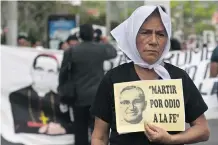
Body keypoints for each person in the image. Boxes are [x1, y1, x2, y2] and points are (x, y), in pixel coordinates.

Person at [91, 5, 210, 145]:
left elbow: (203, 129)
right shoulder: (113, 79)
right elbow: (99, 137)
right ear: (132, 35)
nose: (153, 41)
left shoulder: (178, 77)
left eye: (160, 34)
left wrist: (171, 139)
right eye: (145, 33)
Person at [58, 23, 117, 145]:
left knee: (80, 130)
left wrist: (62, 91)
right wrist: (104, 41)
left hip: (78, 97)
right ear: (93, 34)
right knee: (99, 132)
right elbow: (113, 52)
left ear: (79, 35)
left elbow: (63, 74)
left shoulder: (71, 51)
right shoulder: (100, 49)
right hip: (98, 97)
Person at [9, 54, 73, 135]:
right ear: (32, 70)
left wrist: (63, 129)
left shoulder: (61, 98)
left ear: (57, 75)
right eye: (40, 69)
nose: (44, 75)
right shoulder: (17, 95)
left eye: (50, 71)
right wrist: (43, 128)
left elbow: (72, 124)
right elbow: (17, 125)